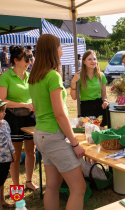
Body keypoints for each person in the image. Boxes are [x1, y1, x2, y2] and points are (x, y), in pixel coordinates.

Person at [28, 34, 86, 210]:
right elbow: (60, 114)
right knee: (79, 188)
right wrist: (75, 143)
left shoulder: (35, 76)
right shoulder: (53, 76)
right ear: (53, 50)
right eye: (60, 46)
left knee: (52, 186)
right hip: (54, 136)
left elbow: (39, 108)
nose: (62, 50)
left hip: (41, 134)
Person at [0, 46, 38, 191]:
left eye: (30, 58)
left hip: (29, 117)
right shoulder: (6, 77)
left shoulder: (31, 76)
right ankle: (16, 187)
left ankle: (29, 181)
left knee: (31, 152)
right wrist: (24, 104)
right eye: (26, 59)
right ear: (16, 60)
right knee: (15, 155)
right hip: (13, 119)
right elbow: (2, 100)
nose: (29, 62)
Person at [71, 50, 110, 127]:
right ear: (84, 62)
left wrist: (105, 101)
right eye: (89, 59)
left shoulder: (101, 75)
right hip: (86, 108)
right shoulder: (79, 76)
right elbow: (74, 97)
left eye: (94, 59)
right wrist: (73, 82)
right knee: (88, 133)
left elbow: (104, 95)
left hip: (99, 106)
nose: (93, 61)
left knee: (100, 131)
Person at [0, 100, 16, 209]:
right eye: (2, 111)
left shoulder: (5, 123)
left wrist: (13, 152)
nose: (4, 113)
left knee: (2, 181)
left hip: (6, 159)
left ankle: (2, 201)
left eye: (4, 111)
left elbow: (9, 140)